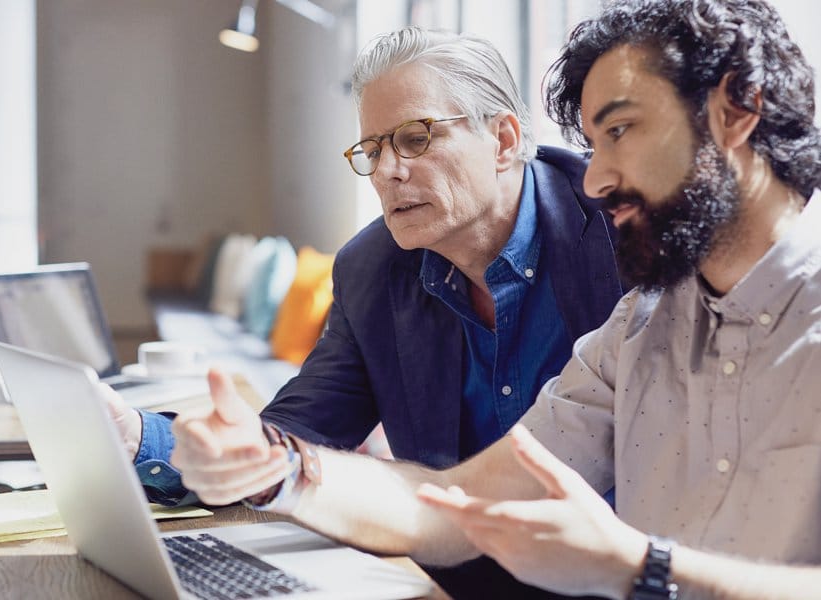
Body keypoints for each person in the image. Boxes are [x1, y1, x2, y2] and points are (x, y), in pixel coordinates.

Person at [172, 0, 821, 597]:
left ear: (735, 111)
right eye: (593, 145)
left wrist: (637, 564)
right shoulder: (643, 323)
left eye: (621, 131)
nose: (593, 178)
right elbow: (458, 505)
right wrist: (281, 470)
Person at [115, 27, 623, 597]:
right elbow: (295, 437)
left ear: (503, 139)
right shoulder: (372, 269)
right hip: (447, 581)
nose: (387, 172)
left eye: (414, 138)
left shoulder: (622, 229)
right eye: (373, 150)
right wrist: (136, 436)